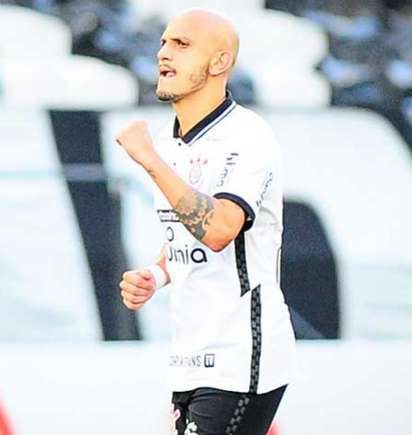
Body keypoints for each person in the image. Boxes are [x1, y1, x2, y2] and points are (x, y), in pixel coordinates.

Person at [115, 9, 297, 435]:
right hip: (190, 356)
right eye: (163, 43)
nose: (164, 53)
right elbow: (183, 233)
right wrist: (156, 275)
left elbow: (218, 230)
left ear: (219, 63)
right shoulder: (168, 141)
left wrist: (150, 161)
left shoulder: (247, 137)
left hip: (241, 353)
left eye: (181, 44)